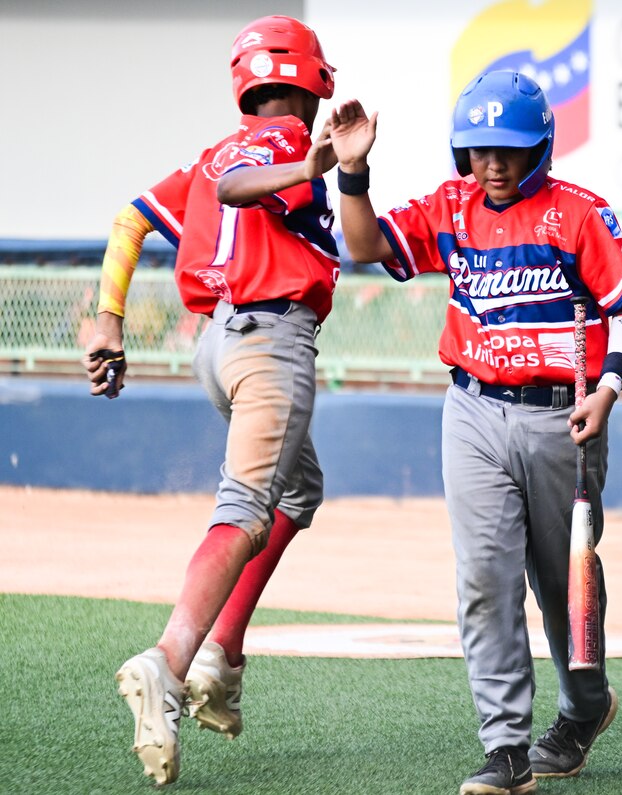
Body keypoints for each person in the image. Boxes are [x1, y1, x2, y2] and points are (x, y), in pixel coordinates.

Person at [329, 70, 622, 795]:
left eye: (508, 150)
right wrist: (353, 170)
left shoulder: (579, 214)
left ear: (540, 145)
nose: (493, 165)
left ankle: (586, 705)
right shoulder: (452, 206)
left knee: (562, 581)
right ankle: (504, 747)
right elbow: (364, 245)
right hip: (471, 410)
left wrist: (607, 391)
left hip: (561, 418)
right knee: (484, 578)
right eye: (477, 150)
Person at [81, 15, 339, 786]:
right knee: (246, 507)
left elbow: (131, 219)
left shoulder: (207, 155)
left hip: (214, 345)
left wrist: (108, 316)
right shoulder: (293, 143)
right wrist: (312, 165)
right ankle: (170, 659)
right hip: (270, 339)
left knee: (298, 490)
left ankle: (222, 656)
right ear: (313, 84)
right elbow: (252, 185)